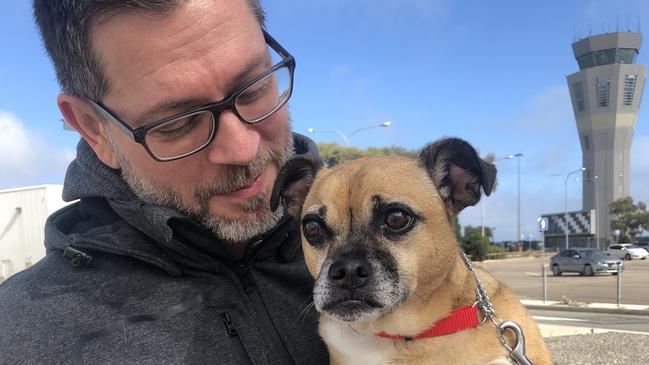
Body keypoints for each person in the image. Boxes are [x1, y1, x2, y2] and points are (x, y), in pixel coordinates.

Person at [0, 1, 330, 363]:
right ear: (94, 129)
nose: (242, 149)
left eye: (255, 88)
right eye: (178, 123)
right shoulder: (20, 339)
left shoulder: (392, 239)